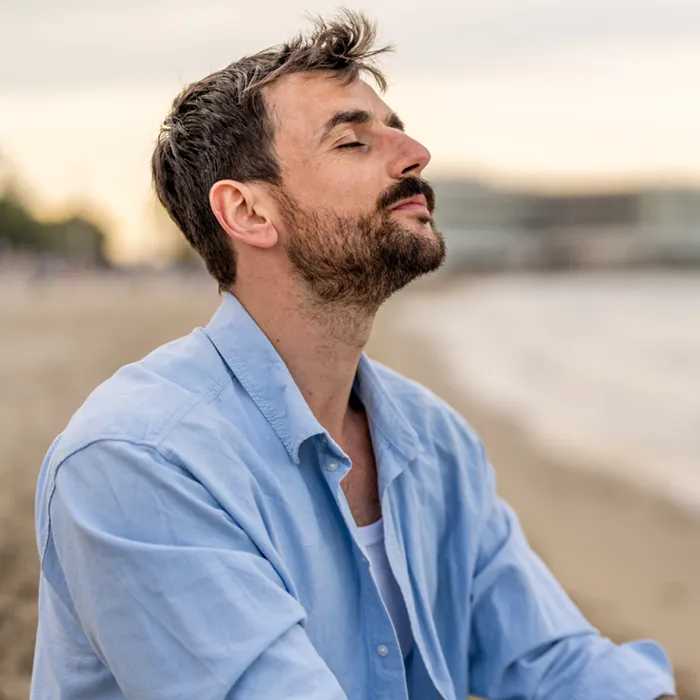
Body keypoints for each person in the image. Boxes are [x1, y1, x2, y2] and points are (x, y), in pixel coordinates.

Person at [31, 10, 676, 700]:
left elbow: (556, 662)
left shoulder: (434, 443)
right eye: (352, 142)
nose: (416, 152)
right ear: (249, 213)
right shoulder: (140, 461)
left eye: (395, 126)